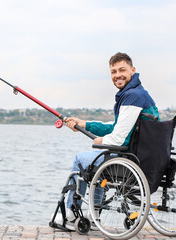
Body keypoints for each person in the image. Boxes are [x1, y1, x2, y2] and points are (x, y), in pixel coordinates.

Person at [64, 52, 159, 229]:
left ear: (133, 70)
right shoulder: (140, 94)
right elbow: (117, 127)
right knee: (96, 159)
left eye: (122, 70)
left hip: (129, 159)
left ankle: (71, 213)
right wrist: (84, 124)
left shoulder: (133, 96)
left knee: (81, 159)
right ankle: (95, 214)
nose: (117, 75)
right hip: (145, 156)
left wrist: (101, 141)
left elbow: (117, 139)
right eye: (113, 72)